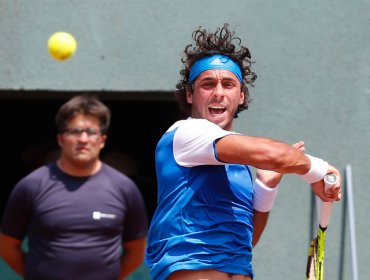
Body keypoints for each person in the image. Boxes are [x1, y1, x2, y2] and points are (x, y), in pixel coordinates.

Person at [145, 23, 342, 280]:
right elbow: (274, 155)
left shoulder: (238, 167)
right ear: (190, 94)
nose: (218, 93)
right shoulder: (186, 133)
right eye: (207, 84)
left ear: (241, 96)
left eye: (228, 84)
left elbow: (245, 242)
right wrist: (317, 169)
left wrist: (266, 188)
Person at [0, 94, 148, 280]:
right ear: (61, 139)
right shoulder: (31, 186)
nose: (83, 139)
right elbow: (8, 246)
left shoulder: (124, 188)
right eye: (75, 131)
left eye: (91, 132)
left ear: (102, 140)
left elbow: (135, 250)